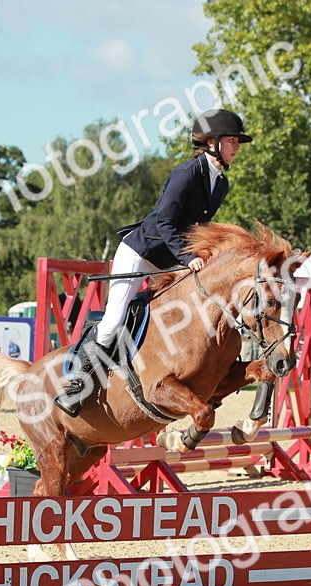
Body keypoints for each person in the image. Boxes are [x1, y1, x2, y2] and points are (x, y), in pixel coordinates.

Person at [54, 108, 253, 416]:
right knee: (112, 320)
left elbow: (196, 230)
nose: (237, 147)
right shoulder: (186, 174)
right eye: (232, 141)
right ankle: (76, 385)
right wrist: (188, 257)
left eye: (237, 142)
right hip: (140, 252)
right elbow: (164, 222)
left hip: (169, 259)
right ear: (212, 142)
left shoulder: (221, 183)